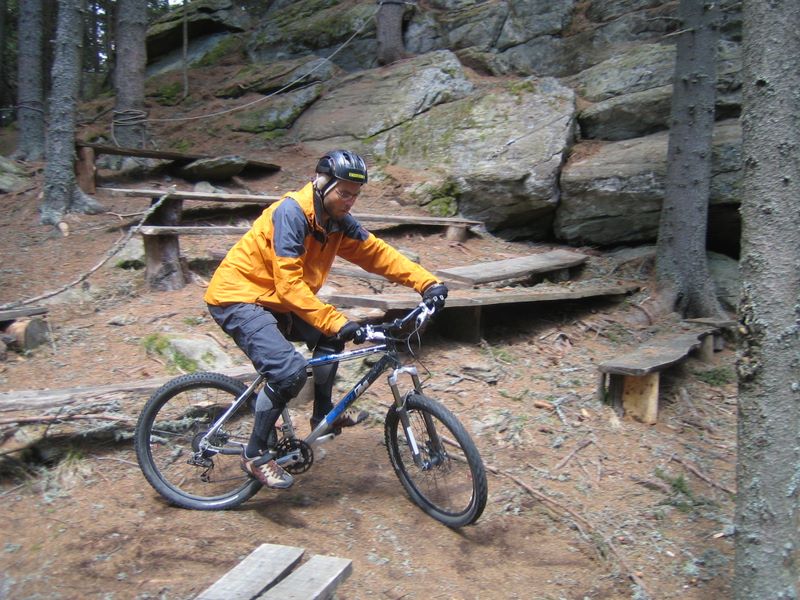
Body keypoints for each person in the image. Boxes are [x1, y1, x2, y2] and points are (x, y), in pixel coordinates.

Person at [204, 149, 448, 490]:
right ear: (322, 184)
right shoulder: (292, 214)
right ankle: (255, 454)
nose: (350, 201)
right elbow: (289, 285)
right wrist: (336, 320)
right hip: (238, 297)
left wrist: (427, 284)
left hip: (274, 300)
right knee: (289, 372)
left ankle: (323, 416)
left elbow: (377, 254)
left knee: (330, 337)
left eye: (355, 195)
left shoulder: (337, 221)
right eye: (344, 193)